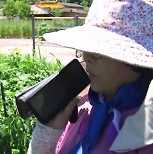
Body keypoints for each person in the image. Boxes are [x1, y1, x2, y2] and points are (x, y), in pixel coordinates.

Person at [27, 0, 153, 153]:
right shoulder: (83, 109)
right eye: (86, 50)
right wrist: (48, 135)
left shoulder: (145, 128)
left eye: (97, 53)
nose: (86, 58)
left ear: (135, 63)